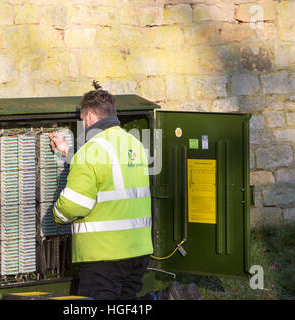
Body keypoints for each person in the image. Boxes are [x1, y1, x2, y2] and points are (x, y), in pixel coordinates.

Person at [49, 88, 201, 300]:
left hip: (104, 255)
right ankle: (163, 298)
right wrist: (68, 154)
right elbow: (109, 173)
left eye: (83, 119)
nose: (83, 125)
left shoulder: (90, 151)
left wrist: (55, 215)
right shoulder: (134, 145)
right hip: (138, 250)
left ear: (90, 116)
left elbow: (75, 204)